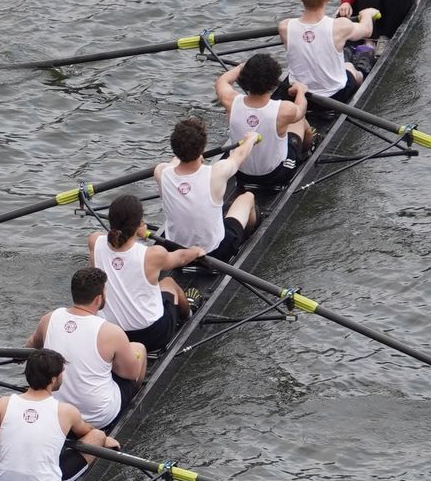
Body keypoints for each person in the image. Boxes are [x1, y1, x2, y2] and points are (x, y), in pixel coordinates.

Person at [0, 349, 119, 481]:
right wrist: (104, 439)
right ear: (53, 379)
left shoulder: (3, 404)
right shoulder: (66, 411)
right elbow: (88, 432)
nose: (63, 376)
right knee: (98, 436)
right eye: (61, 373)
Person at [25, 268, 147, 429]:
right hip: (98, 417)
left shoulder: (49, 318)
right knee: (138, 348)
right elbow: (131, 374)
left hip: (55, 411)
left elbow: (30, 346)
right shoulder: (111, 331)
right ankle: (135, 402)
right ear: (98, 299)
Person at [88, 194, 204, 354]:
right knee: (168, 282)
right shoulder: (153, 255)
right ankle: (188, 315)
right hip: (151, 335)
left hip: (112, 335)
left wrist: (135, 231)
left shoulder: (94, 241)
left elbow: (110, 240)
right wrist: (196, 251)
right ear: (139, 224)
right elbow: (181, 258)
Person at [156, 119, 260, 264]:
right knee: (247, 197)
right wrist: (251, 139)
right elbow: (240, 155)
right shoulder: (217, 172)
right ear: (203, 148)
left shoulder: (161, 172)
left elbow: (173, 163)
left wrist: (187, 155)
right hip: (215, 252)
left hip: (175, 253)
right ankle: (245, 237)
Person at [214, 53, 313, 199]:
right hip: (276, 175)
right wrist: (300, 91)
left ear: (244, 78)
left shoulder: (230, 101)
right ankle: (307, 151)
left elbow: (222, 80)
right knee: (299, 120)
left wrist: (241, 67)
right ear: (274, 81)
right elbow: (301, 108)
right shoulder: (285, 109)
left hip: (240, 173)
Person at [279, 0, 378, 104]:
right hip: (335, 96)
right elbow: (367, 30)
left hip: (297, 94)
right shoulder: (340, 26)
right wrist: (367, 14)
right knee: (349, 67)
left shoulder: (284, 27)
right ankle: (361, 71)